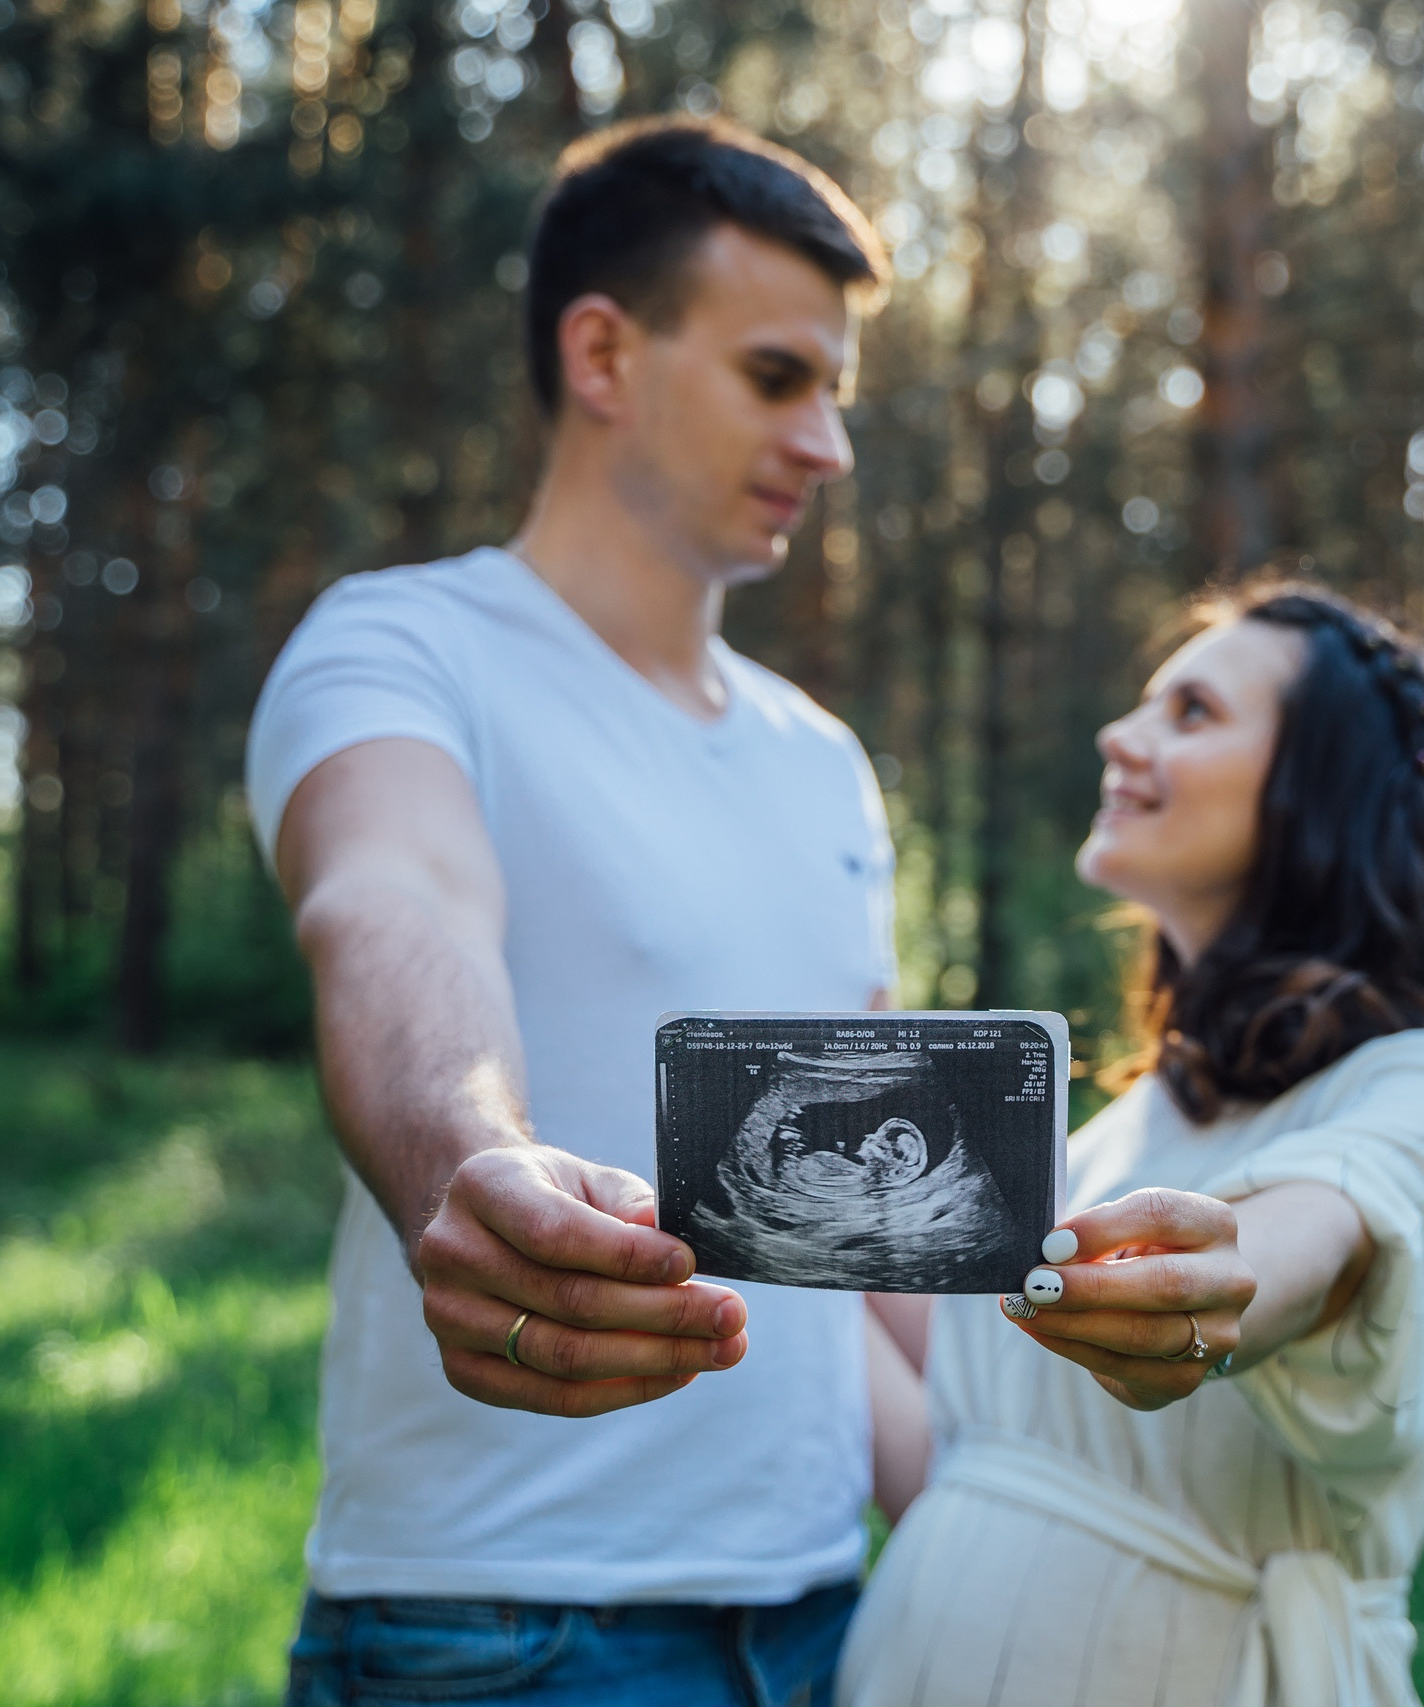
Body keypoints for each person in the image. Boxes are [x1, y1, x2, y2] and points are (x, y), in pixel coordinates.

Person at [247, 117, 926, 1706]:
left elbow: (862, 1238)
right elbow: (395, 898)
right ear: (604, 352)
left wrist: (999, 1500)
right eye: (778, 376)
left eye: (836, 390)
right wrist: (469, 1160)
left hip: (828, 1616)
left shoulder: (824, 764)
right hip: (506, 1634)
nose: (828, 443)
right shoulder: (402, 647)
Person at [841, 583, 1424, 1707]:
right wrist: (778, 1244)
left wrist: (1218, 1283)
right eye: (1144, 704)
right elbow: (970, 1454)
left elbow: (1322, 1226)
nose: (1120, 736)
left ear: (1321, 786)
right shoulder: (1131, 1122)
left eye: (1193, 711)